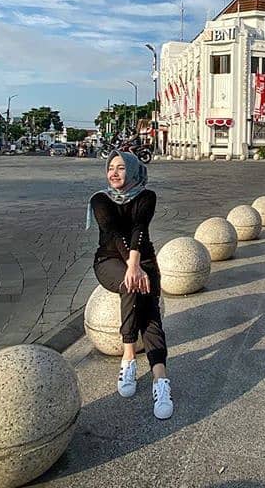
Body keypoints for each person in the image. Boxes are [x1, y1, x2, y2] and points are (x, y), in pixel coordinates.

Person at [86, 151, 172, 419]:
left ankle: (161, 379)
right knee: (129, 284)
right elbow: (112, 234)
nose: (114, 173)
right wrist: (131, 268)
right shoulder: (100, 199)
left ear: (133, 171)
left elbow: (139, 228)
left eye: (121, 168)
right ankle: (129, 358)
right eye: (110, 167)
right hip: (108, 260)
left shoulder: (147, 196)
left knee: (150, 314)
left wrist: (137, 265)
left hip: (144, 259)